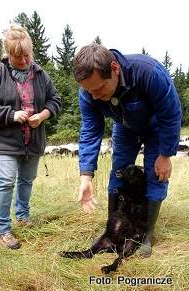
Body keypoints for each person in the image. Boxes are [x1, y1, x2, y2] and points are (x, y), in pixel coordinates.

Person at [73, 44, 182, 257]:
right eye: (89, 91)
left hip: (156, 127)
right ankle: (112, 234)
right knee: (119, 173)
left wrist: (165, 154)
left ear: (114, 68)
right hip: (124, 127)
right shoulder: (89, 90)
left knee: (155, 175)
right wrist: (86, 175)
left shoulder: (149, 73)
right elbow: (90, 129)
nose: (94, 96)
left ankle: (145, 236)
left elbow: (171, 115)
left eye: (100, 89)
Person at [0, 24, 61, 249]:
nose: (22, 61)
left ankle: (22, 215)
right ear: (8, 54)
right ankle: (1, 228)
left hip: (34, 140)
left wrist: (42, 115)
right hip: (5, 140)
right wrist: (11, 114)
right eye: (17, 56)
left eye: (26, 55)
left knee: (27, 181)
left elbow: (55, 100)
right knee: (6, 181)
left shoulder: (40, 74)